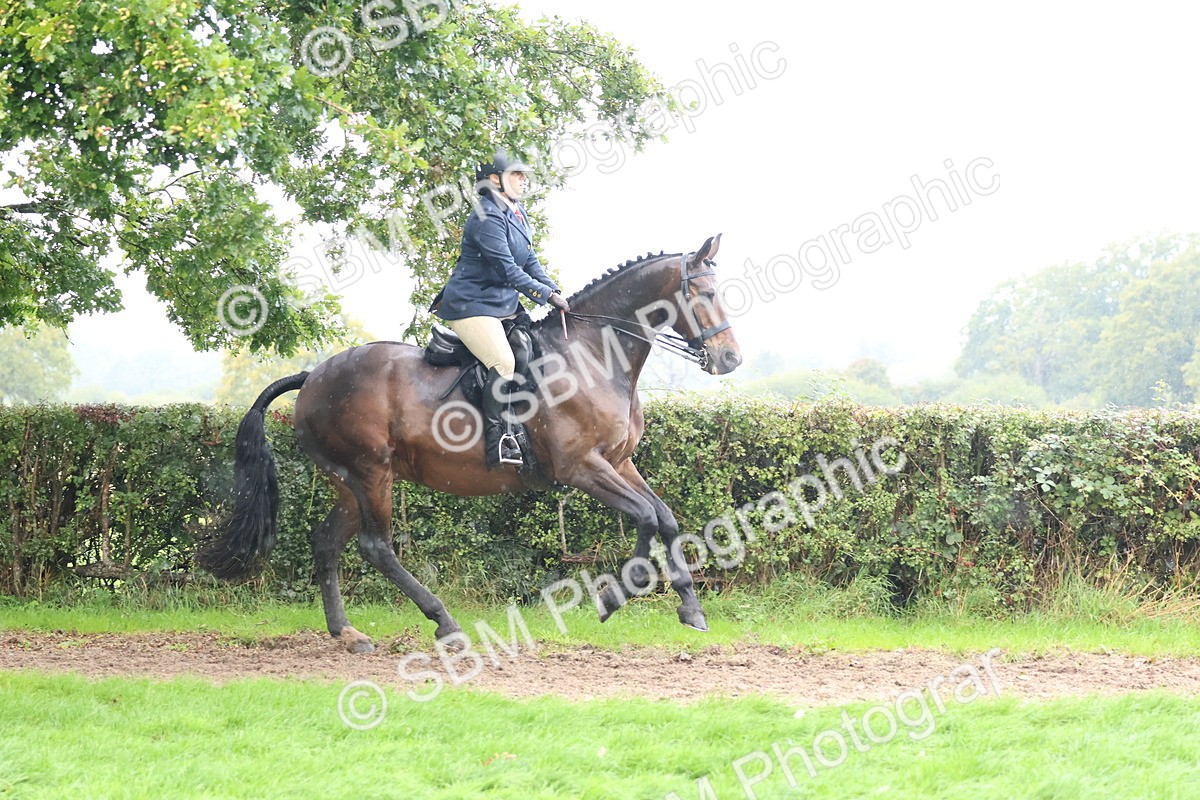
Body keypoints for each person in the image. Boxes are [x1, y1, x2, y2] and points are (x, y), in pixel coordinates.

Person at [430, 149, 571, 469]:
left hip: (501, 303)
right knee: (504, 361)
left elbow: (529, 261)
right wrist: (546, 295)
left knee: (528, 348)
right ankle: (498, 438)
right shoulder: (484, 217)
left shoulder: (517, 212)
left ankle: (522, 424)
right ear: (495, 179)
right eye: (516, 175)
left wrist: (556, 290)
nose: (523, 180)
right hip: (471, 304)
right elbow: (509, 269)